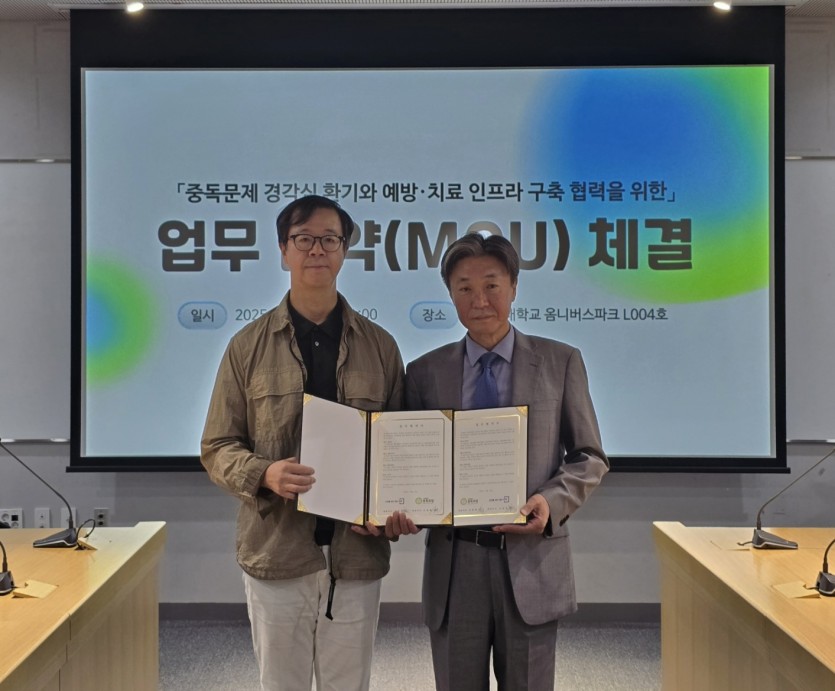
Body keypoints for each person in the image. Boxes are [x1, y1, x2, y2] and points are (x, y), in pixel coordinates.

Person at [385, 233, 608, 691]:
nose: (479, 300)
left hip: (531, 559)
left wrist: (550, 502)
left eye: (491, 285)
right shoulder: (424, 373)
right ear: (450, 294)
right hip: (455, 565)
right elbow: (409, 464)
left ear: (514, 287)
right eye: (464, 288)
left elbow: (589, 457)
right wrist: (398, 507)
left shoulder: (560, 361)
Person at [201, 194, 404, 691]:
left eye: (329, 239)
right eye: (304, 238)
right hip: (278, 553)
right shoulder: (246, 347)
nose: (317, 249)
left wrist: (392, 508)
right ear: (283, 250)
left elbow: (400, 449)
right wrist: (264, 473)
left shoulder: (380, 346)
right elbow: (218, 444)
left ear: (345, 250)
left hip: (356, 556)